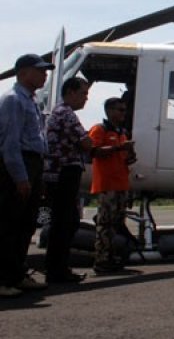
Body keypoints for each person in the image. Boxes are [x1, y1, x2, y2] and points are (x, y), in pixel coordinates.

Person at [0, 54, 55, 297]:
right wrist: (20, 178)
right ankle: (2, 279)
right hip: (19, 164)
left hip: (32, 164)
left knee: (25, 225)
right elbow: (10, 143)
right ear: (22, 73)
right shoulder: (13, 100)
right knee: (9, 225)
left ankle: (16, 274)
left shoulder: (30, 101)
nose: (45, 75)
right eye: (40, 70)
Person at [44, 77, 92, 283]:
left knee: (65, 220)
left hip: (57, 173)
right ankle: (57, 269)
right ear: (71, 92)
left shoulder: (58, 112)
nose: (86, 99)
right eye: (83, 94)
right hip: (64, 174)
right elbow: (86, 143)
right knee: (66, 221)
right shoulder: (67, 115)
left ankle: (57, 267)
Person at [89, 97, 136, 273]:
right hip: (107, 183)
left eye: (124, 110)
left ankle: (112, 257)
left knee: (116, 223)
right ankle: (101, 260)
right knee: (105, 223)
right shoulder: (100, 129)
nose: (123, 113)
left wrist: (129, 153)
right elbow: (94, 152)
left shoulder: (121, 132)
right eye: (120, 110)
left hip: (121, 183)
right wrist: (118, 148)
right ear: (109, 111)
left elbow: (126, 159)